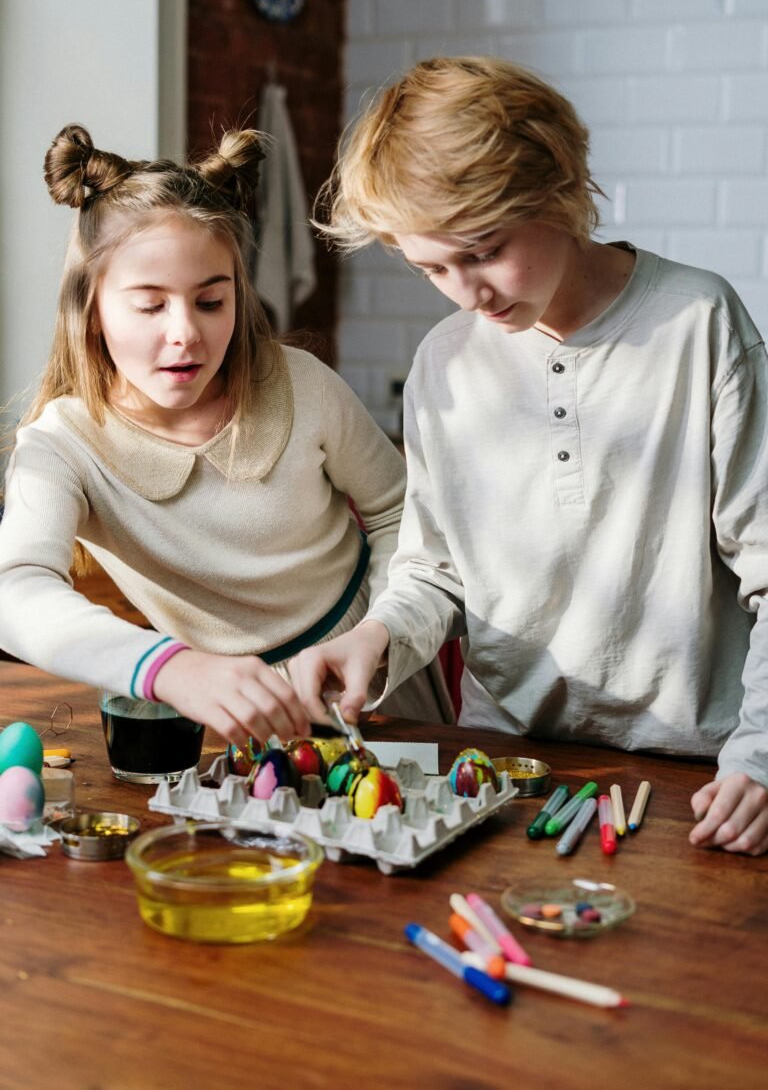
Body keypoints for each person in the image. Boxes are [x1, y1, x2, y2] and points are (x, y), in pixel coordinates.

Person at [291, 55, 768, 856]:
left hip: (700, 779)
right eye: (430, 267)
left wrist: (761, 755)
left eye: (482, 250)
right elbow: (436, 569)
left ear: (557, 188)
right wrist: (377, 636)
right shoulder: (446, 363)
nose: (465, 291)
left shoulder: (699, 322)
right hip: (503, 774)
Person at [0, 123, 447, 747]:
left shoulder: (300, 384)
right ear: (91, 308)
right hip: (229, 709)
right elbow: (14, 587)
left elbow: (403, 512)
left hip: (377, 683)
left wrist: (380, 635)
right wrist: (171, 669)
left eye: (211, 301)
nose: (185, 332)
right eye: (150, 305)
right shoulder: (61, 444)